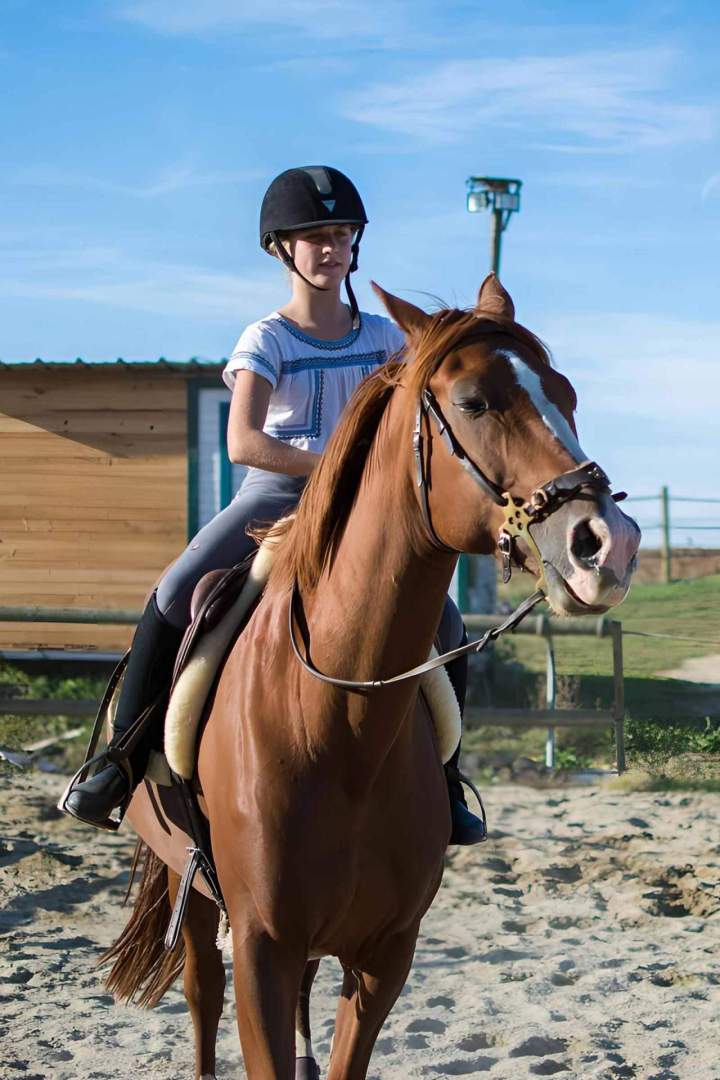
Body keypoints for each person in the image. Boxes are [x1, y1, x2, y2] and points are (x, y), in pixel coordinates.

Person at [62, 165, 485, 845]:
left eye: (343, 233)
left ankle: (447, 779)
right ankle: (115, 760)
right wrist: (333, 468)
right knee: (174, 591)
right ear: (280, 249)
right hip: (276, 495)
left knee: (449, 619)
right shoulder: (267, 340)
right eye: (314, 235)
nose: (332, 247)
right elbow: (243, 442)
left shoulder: (387, 340)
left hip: (363, 509)